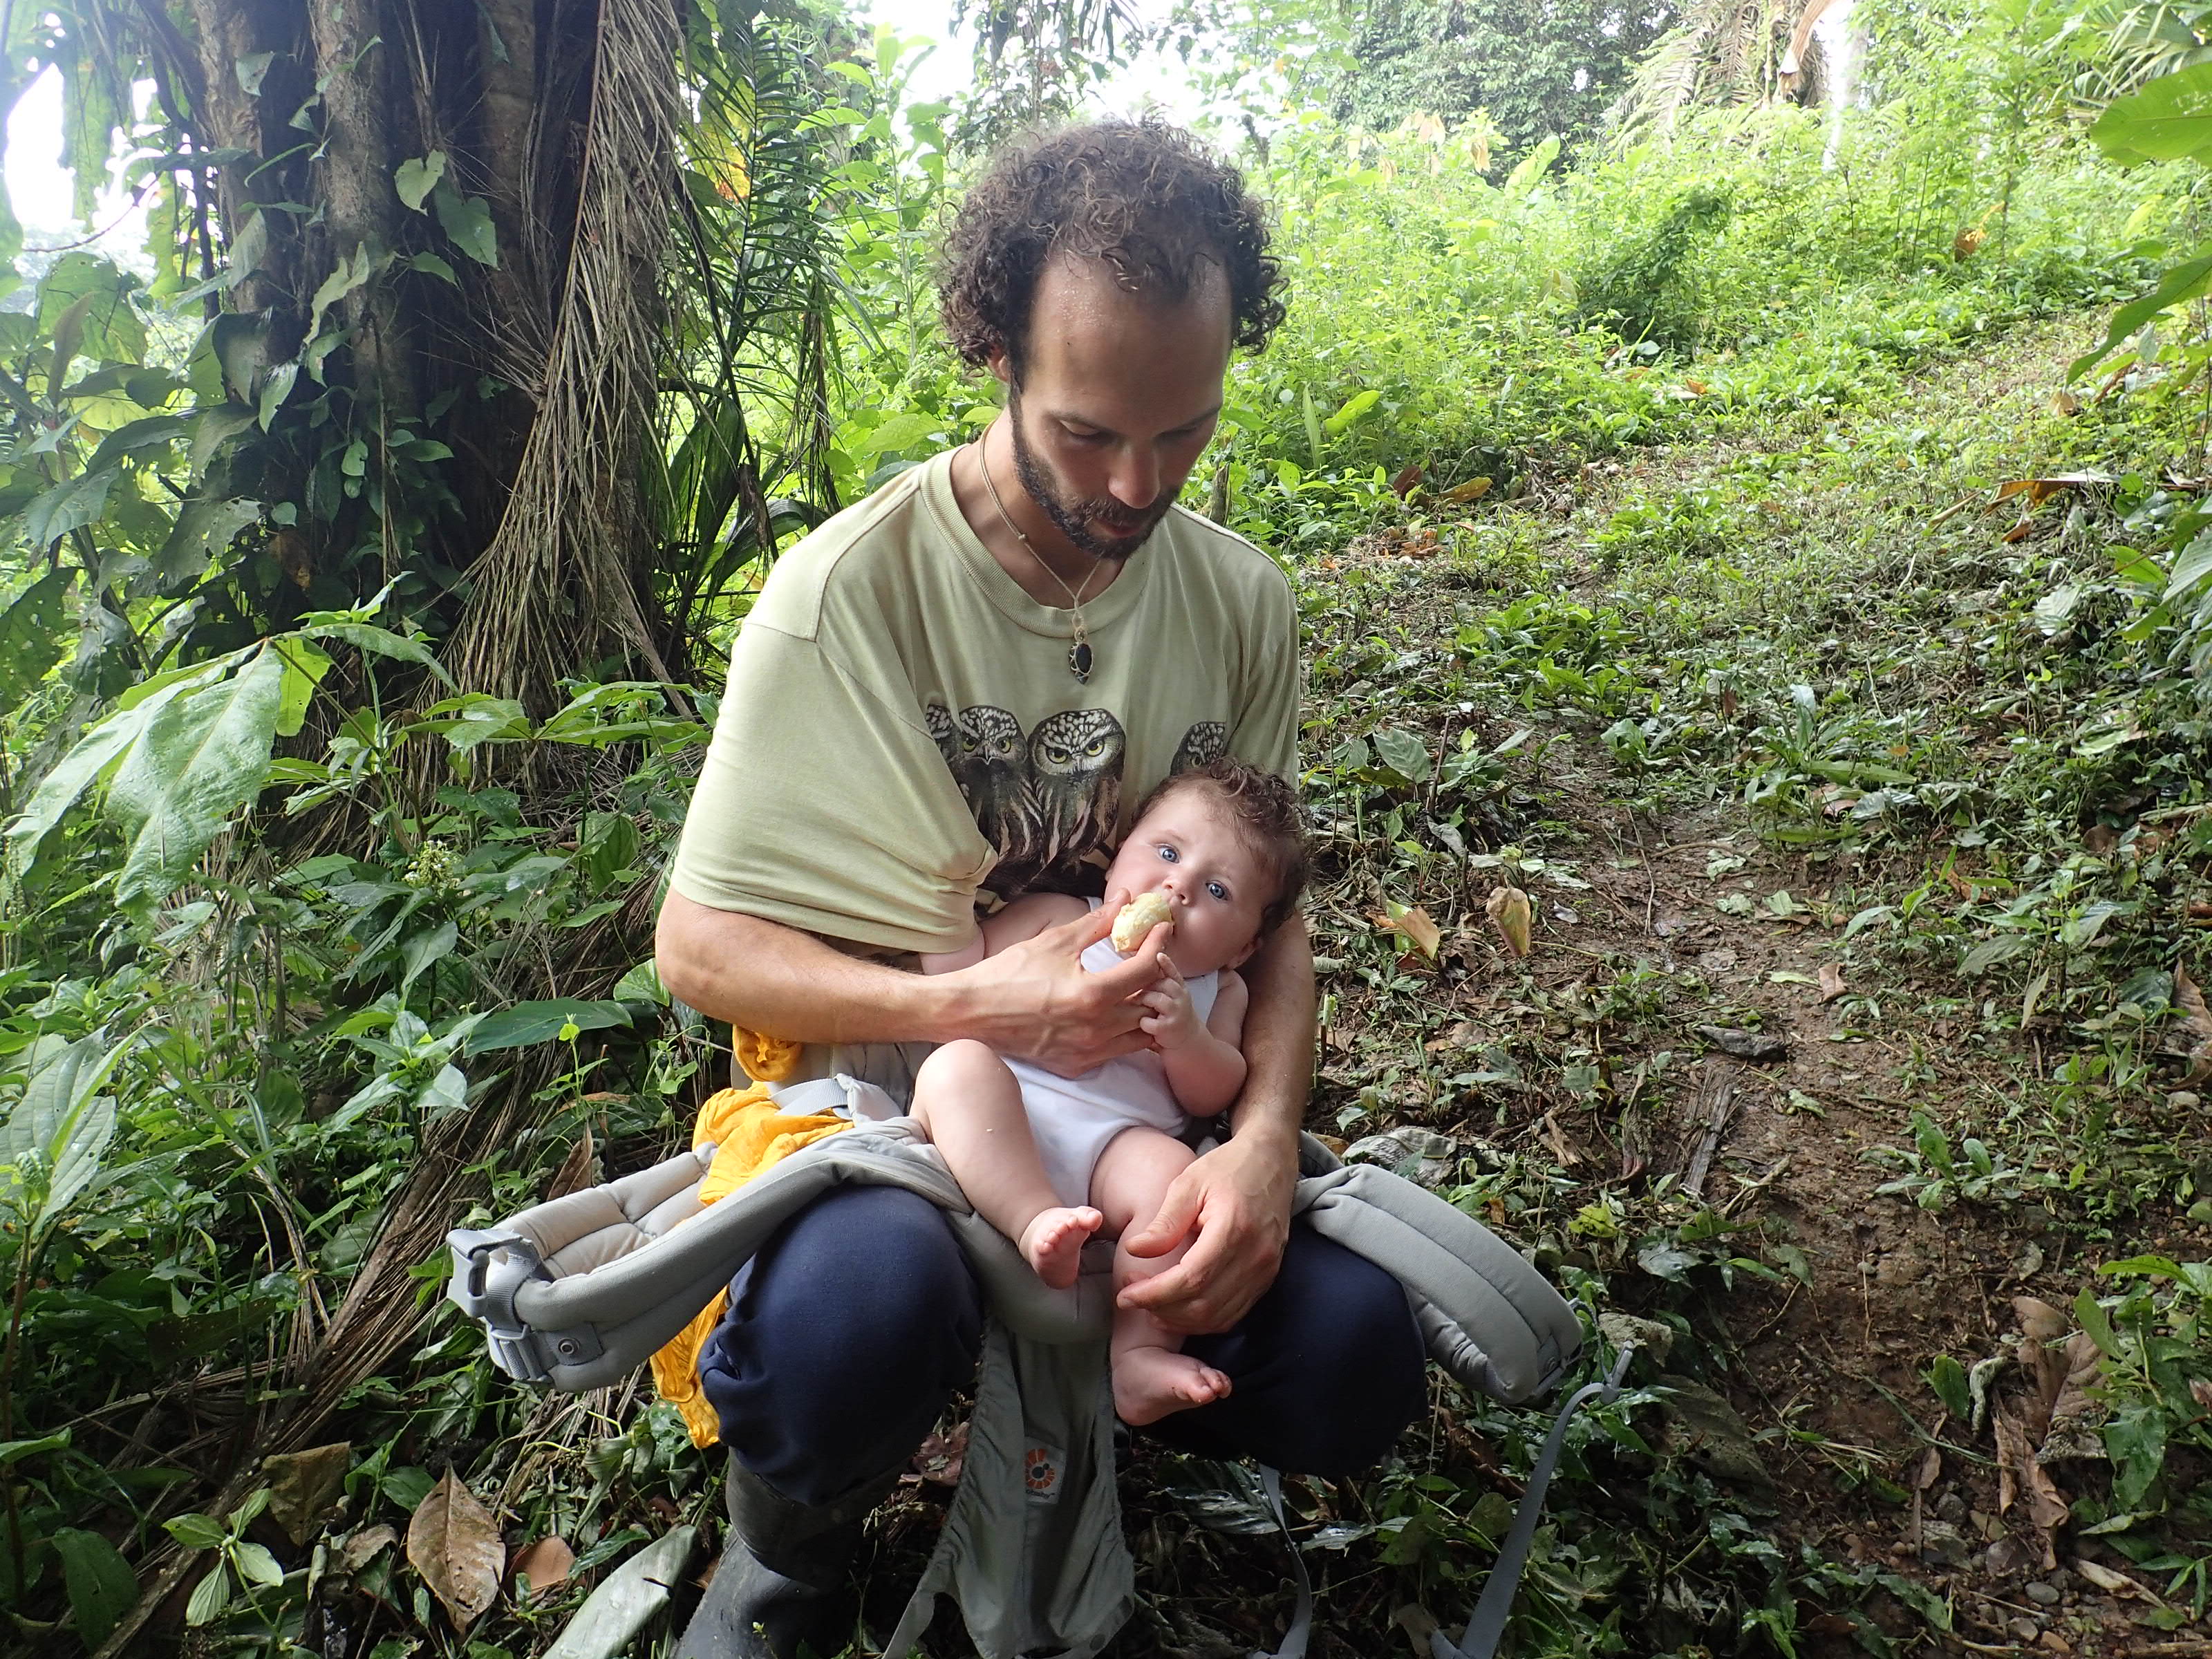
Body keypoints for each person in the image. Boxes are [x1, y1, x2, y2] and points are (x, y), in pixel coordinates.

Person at [655, 118, 1427, 1659]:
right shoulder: (844, 597)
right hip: (899, 1100)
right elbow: (698, 947)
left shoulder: (1239, 601)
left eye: (1183, 432)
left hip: (1142, 1111)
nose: (1138, 484)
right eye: (1088, 434)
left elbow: (1273, 928)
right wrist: (970, 1003)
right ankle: (790, 1558)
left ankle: (1094, 1421)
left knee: (1356, 1361)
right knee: (849, 1322)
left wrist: (1264, 1140)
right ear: (992, 350)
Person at [910, 758, 1309, 1427]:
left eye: (1215, 889)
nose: (1176, 887)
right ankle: (1035, 1218)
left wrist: (1185, 1037)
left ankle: (1140, 1356)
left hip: (1113, 1149)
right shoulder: (1060, 919)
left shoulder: (1219, 990)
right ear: (1119, 852)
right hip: (1004, 1109)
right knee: (956, 1066)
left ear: (1245, 948)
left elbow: (1215, 1092)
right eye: (1167, 852)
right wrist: (945, 905)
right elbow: (961, 978)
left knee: (1178, 1184)